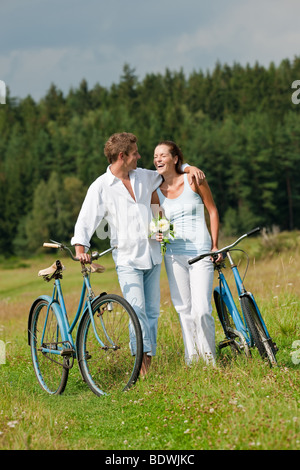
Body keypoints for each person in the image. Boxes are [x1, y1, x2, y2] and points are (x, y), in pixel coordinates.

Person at [71, 132, 205, 376]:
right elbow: (85, 220)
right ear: (122, 156)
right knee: (136, 310)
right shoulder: (101, 186)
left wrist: (187, 166)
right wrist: (81, 249)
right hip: (127, 259)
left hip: (152, 256)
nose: (140, 157)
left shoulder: (143, 176)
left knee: (152, 312)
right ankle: (140, 369)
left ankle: (147, 368)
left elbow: (169, 171)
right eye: (135, 153)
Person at [151, 140, 221, 366]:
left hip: (200, 252)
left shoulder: (193, 179)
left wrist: (215, 245)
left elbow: (212, 210)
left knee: (202, 310)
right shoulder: (155, 192)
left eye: (163, 155)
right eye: (155, 156)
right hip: (173, 255)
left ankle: (210, 363)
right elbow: (157, 223)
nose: (158, 159)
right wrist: (156, 233)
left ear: (175, 158)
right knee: (184, 310)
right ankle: (193, 361)